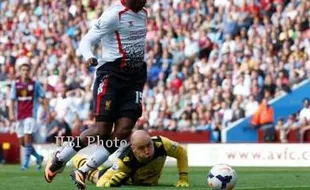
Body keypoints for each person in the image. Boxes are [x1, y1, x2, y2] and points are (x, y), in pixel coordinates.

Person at [44, 0, 148, 189]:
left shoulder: (143, 13)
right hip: (111, 76)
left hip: (135, 78)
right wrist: (88, 56)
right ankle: (61, 157)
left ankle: (84, 170)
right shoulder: (113, 15)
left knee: (123, 130)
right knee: (101, 130)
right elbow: (86, 40)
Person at [72, 130, 190, 188]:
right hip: (121, 176)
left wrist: (183, 179)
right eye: (141, 148)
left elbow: (182, 153)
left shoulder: (163, 144)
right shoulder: (124, 161)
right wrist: (110, 183)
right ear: (133, 149)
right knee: (94, 175)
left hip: (147, 182)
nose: (147, 151)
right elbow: (101, 183)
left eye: (149, 145)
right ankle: (76, 158)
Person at [9, 62, 45, 170]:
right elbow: (12, 99)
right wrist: (11, 113)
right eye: (23, 70)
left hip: (31, 114)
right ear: (20, 72)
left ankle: (25, 163)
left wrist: (47, 112)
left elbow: (43, 96)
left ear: (29, 72)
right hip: (19, 115)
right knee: (22, 142)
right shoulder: (15, 84)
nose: (25, 72)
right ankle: (38, 157)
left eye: (27, 70)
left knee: (28, 137)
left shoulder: (35, 84)